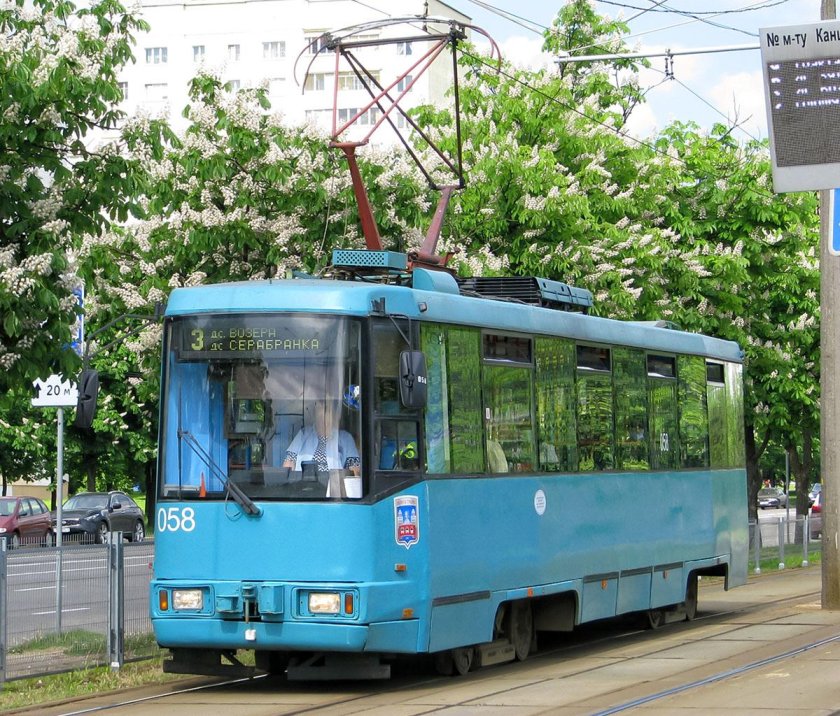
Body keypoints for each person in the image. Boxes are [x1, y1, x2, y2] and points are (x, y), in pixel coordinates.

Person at [282, 400, 360, 476]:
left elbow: (354, 471)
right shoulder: (303, 434)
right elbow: (288, 464)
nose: (322, 415)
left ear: (334, 414)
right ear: (314, 414)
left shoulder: (345, 438)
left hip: (334, 487)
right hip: (302, 485)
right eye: (319, 410)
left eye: (326, 410)